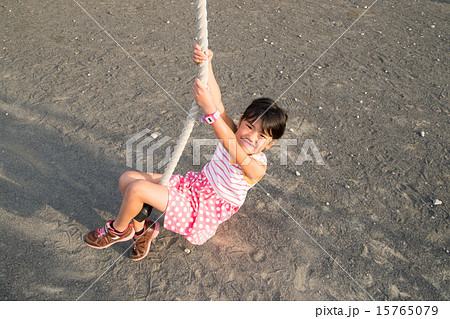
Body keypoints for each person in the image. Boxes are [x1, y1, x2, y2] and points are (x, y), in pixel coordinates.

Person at [84, 44, 288, 261]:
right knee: (127, 179)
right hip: (195, 186)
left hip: (203, 208)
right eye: (250, 126)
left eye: (262, 136)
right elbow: (218, 102)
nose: (251, 136)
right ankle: (143, 232)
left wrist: (210, 113)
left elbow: (229, 144)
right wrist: (206, 65)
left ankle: (118, 231)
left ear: (270, 144)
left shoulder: (255, 167)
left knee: (136, 190)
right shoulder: (236, 132)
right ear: (241, 121)